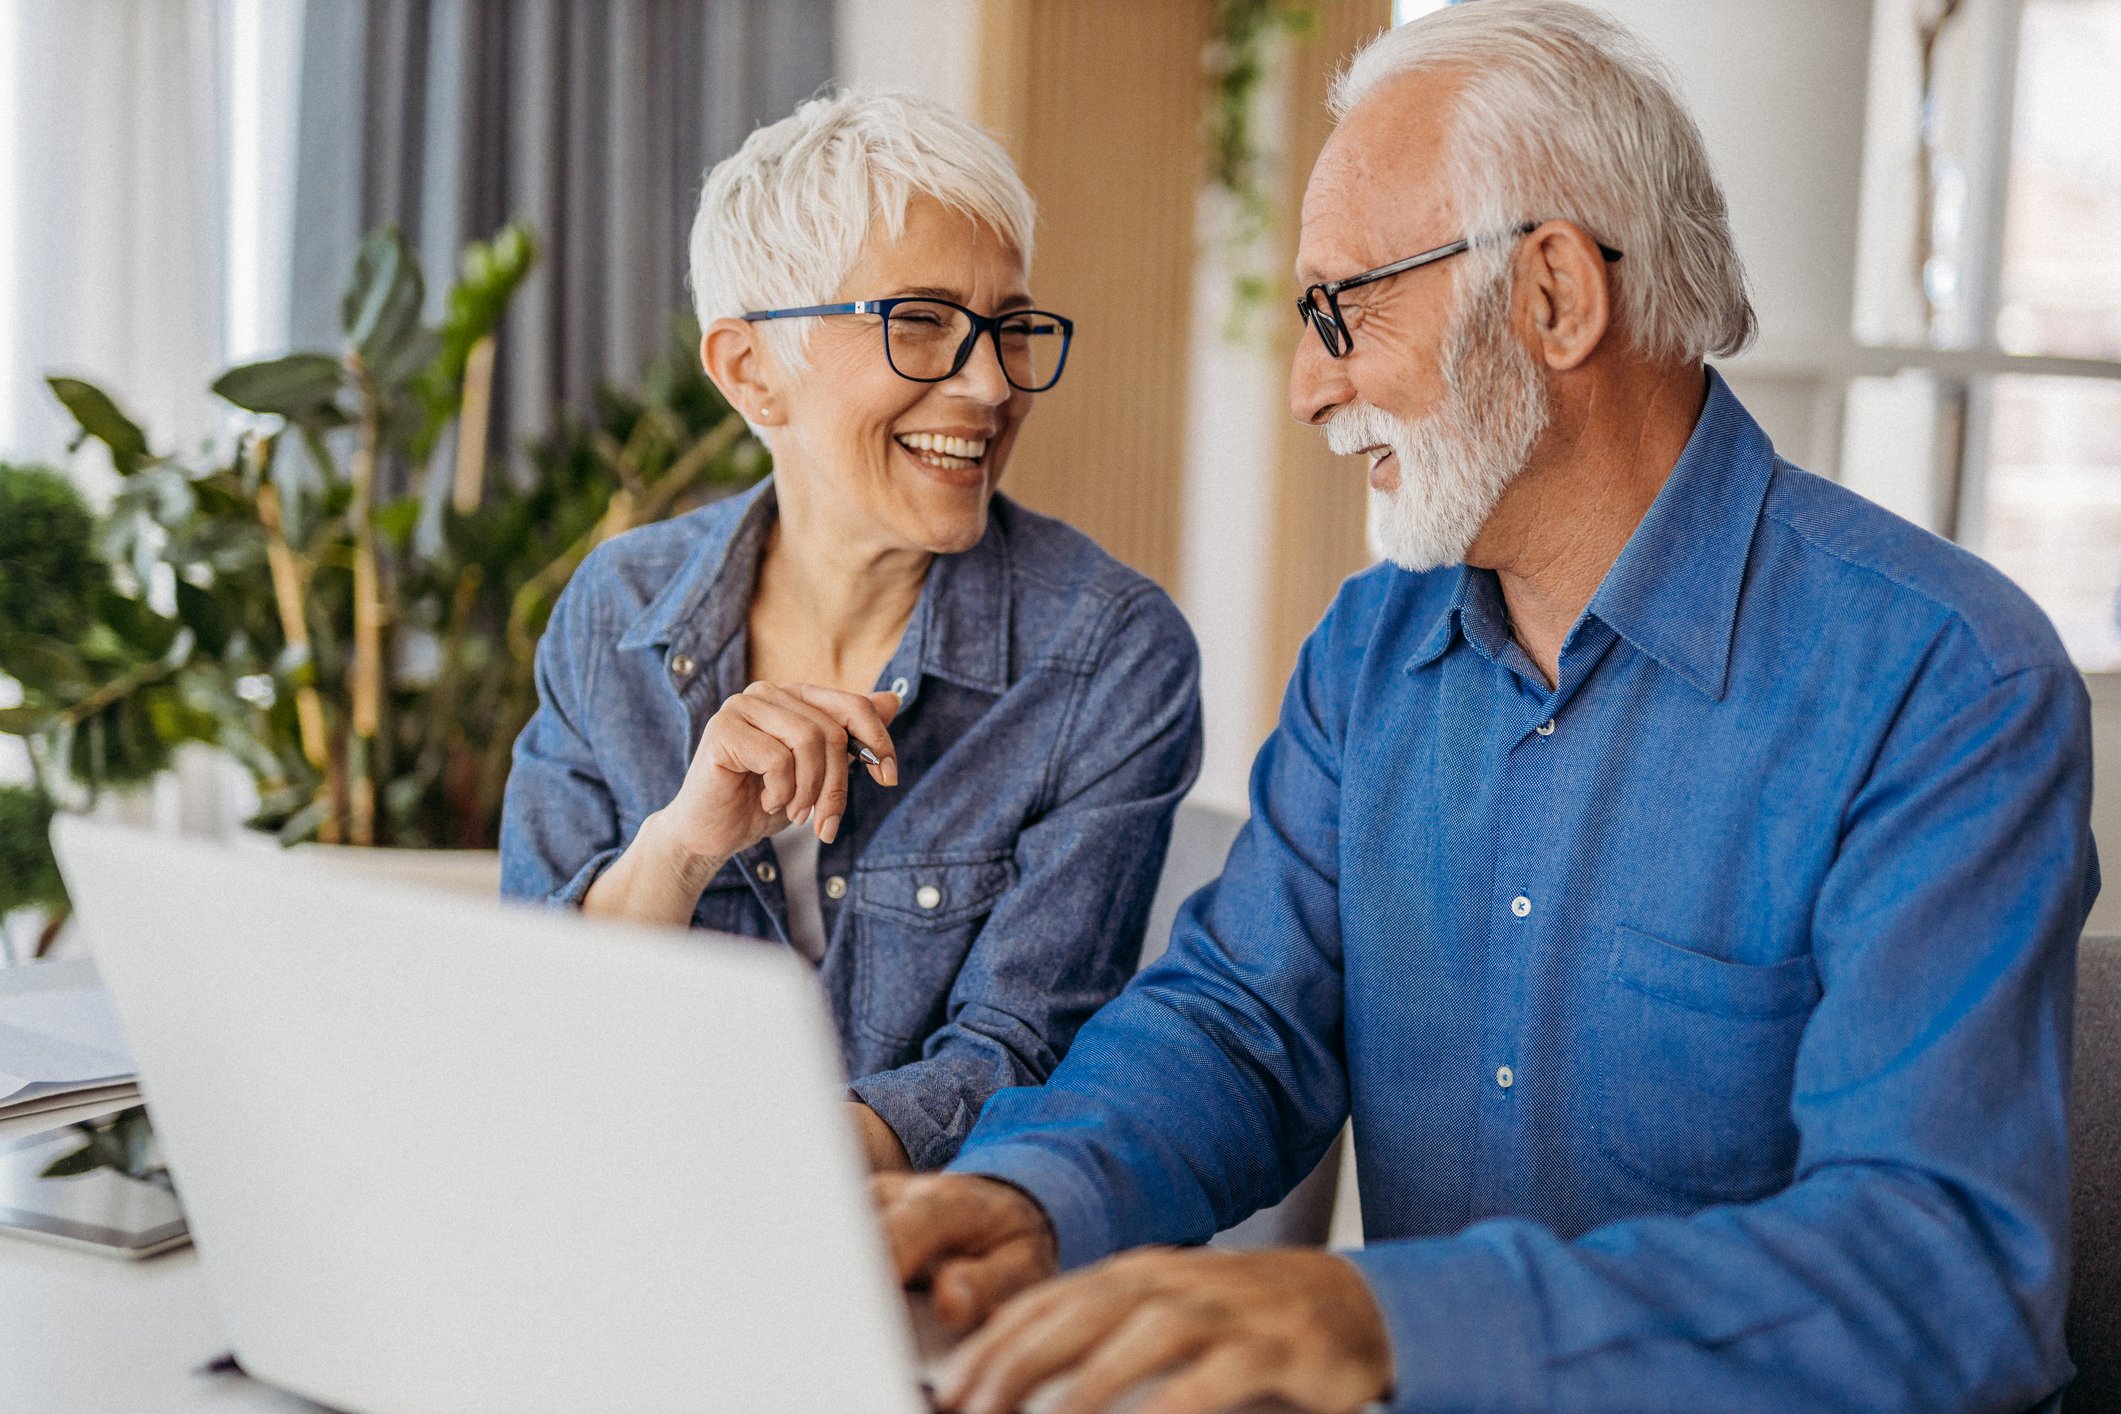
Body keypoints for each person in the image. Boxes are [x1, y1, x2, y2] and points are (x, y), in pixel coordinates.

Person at [878, 5, 2100, 1411]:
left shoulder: (1942, 682)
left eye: (1344, 308)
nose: (1306, 387)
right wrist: (1040, 1192)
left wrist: (1374, 1317)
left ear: (1556, 297)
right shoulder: (1369, 648)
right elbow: (1240, 1020)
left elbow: (1935, 1275)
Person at [499, 90, 1201, 1175]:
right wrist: (683, 846)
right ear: (749, 371)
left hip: (915, 1267)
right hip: (608, 1214)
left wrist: (763, 1181)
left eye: (1009, 327)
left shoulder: (1111, 653)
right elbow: (530, 1027)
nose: (988, 386)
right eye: (919, 324)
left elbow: (1018, 1056)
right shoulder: (614, 614)